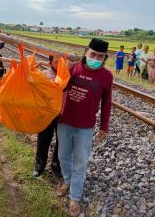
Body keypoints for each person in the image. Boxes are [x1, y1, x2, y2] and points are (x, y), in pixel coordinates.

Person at [56, 38, 113, 217]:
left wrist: (104, 126)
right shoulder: (74, 68)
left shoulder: (106, 76)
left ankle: (75, 197)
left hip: (86, 127)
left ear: (104, 58)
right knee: (63, 155)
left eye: (100, 56)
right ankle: (67, 181)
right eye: (92, 54)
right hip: (65, 121)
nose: (95, 58)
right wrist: (62, 65)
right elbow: (59, 84)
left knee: (80, 162)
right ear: (86, 52)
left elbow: (107, 103)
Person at [32, 55, 62, 178]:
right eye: (56, 62)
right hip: (46, 114)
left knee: (61, 142)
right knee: (43, 140)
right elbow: (33, 85)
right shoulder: (44, 74)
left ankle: (56, 165)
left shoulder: (67, 75)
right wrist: (32, 70)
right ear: (50, 62)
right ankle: (39, 166)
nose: (59, 64)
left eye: (62, 62)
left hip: (62, 115)